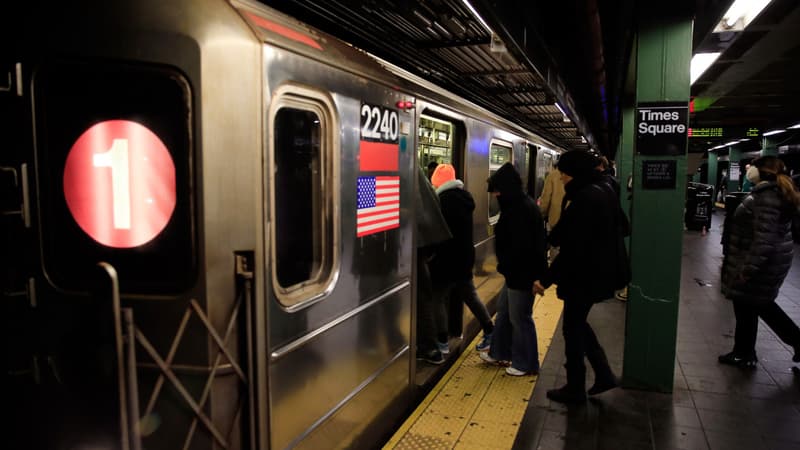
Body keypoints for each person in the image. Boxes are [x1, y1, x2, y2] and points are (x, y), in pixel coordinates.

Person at [533, 150, 624, 404]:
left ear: (576, 173)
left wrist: (545, 279)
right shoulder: (603, 189)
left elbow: (573, 249)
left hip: (586, 275)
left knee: (572, 328)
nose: (561, 178)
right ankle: (603, 374)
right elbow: (623, 226)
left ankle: (575, 388)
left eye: (564, 173)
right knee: (577, 324)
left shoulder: (586, 198)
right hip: (598, 271)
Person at [718, 156, 800, 368]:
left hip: (760, 263)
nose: (749, 170)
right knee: (757, 306)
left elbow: (764, 238)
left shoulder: (767, 197)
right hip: (768, 262)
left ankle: (744, 353)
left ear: (762, 172)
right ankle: (744, 352)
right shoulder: (771, 193)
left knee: (753, 306)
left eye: (753, 166)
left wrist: (747, 270)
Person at [481, 162, 547, 376]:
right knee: (504, 312)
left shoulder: (522, 210)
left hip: (522, 274)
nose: (494, 196)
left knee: (520, 318)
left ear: (506, 189)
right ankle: (500, 352)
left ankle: (526, 363)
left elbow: (526, 247)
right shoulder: (517, 205)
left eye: (497, 191)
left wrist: (537, 277)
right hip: (514, 273)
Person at [429, 164, 495, 353]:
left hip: (445, 260)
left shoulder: (441, 202)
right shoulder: (465, 198)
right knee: (470, 295)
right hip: (464, 257)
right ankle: (490, 329)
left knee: (437, 298)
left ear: (438, 182)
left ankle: (442, 342)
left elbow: (438, 234)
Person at [414, 167, 453, 364]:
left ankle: (429, 348)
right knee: (423, 297)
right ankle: (428, 346)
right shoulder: (420, 179)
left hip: (413, 246)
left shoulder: (402, 171)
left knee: (422, 298)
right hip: (422, 245)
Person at [539, 163, 566, 262]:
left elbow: (546, 199)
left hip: (556, 217)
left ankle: (556, 271)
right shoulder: (581, 175)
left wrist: (542, 214)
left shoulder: (553, 175)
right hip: (572, 219)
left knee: (555, 245)